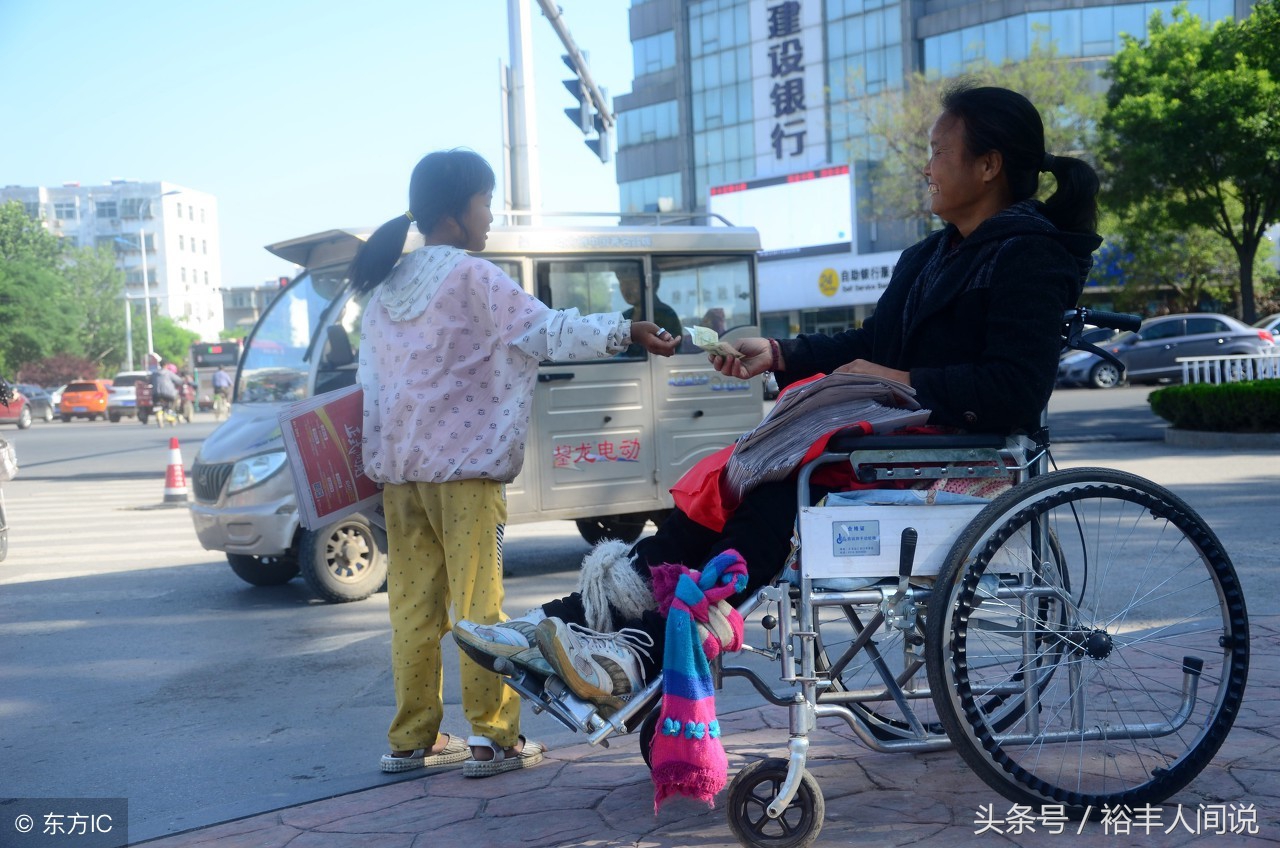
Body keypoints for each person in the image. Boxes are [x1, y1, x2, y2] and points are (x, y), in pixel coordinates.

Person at [454, 83, 1103, 714]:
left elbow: (1015, 390)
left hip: (960, 451)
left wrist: (897, 380)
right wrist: (782, 353)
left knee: (775, 480)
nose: (926, 167)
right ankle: (575, 621)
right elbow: (872, 340)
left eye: (938, 150)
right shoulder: (928, 257)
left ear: (987, 166)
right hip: (889, 436)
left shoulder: (1029, 257)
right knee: (730, 471)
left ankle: (641, 647)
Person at [352, 149, 679, 777]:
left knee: (413, 608)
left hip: (400, 476)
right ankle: (492, 739)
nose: (490, 212)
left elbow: (372, 385)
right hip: (465, 476)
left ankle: (411, 739)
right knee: (480, 606)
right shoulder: (471, 277)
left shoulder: (386, 289)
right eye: (484, 200)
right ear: (454, 212)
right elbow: (547, 331)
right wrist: (625, 330)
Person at [618, 266, 682, 357]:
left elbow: (670, 350)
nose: (626, 288)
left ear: (652, 284)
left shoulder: (666, 314)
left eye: (633, 281)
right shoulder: (624, 316)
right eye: (622, 283)